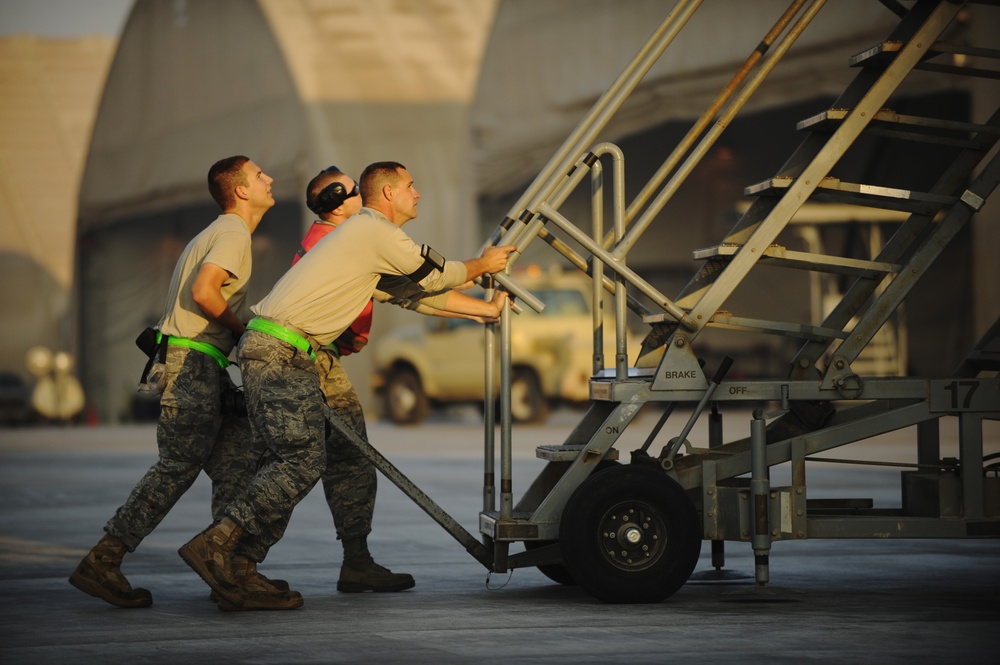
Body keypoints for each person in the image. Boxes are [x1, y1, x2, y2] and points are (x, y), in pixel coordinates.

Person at [178, 161, 514, 610]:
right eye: (411, 186)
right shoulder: (373, 230)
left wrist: (483, 311)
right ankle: (219, 546)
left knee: (309, 459)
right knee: (299, 460)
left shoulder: (365, 240)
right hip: (282, 351)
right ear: (389, 194)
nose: (418, 193)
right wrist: (481, 264)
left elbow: (414, 294)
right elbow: (433, 275)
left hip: (285, 350)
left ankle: (237, 565)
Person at [69, 156, 284, 608]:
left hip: (199, 366)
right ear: (241, 191)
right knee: (177, 468)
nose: (271, 180)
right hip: (194, 366)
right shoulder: (232, 232)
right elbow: (206, 293)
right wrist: (243, 329)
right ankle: (104, 560)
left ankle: (229, 570)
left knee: (237, 465)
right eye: (261, 175)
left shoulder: (216, 232)